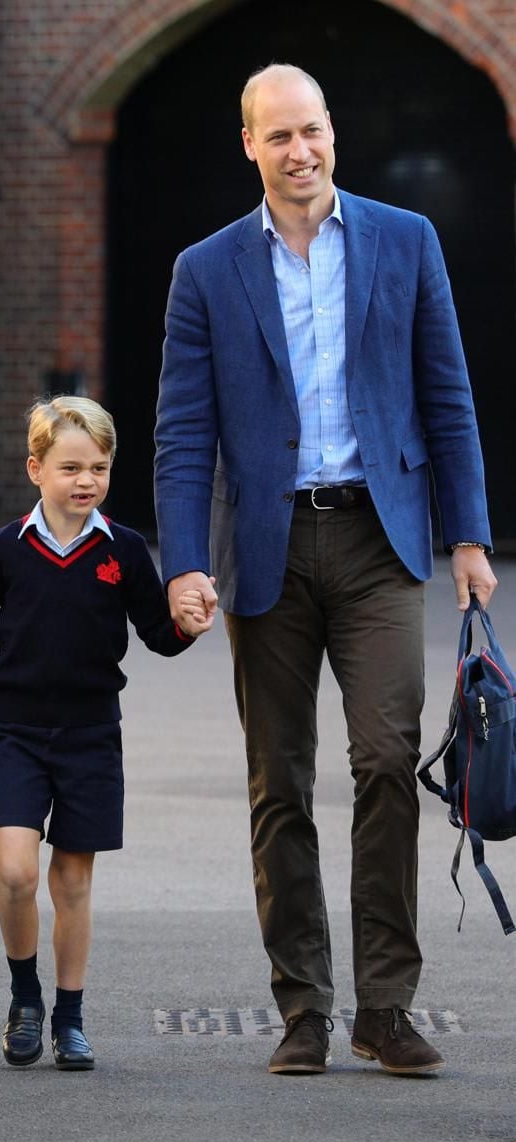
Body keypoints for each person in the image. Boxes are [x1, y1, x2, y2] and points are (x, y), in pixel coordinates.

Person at [153, 63, 497, 1077]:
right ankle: (301, 1005)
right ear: (248, 146)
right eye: (278, 136)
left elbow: (449, 395)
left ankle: (383, 1006)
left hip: (379, 538)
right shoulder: (205, 269)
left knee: (387, 762)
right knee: (279, 783)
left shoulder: (405, 239)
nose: (298, 152)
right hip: (263, 547)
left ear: (331, 133)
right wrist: (181, 565)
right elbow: (181, 434)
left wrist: (468, 536)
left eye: (312, 131)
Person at [0, 396, 210, 1071]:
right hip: (17, 732)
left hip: (92, 736)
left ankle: (70, 1019)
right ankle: (25, 1000)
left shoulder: (125, 550)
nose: (86, 481)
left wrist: (187, 626)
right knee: (17, 872)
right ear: (36, 468)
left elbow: (157, 636)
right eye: (71, 466)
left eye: (99, 468)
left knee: (72, 883)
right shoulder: (5, 550)